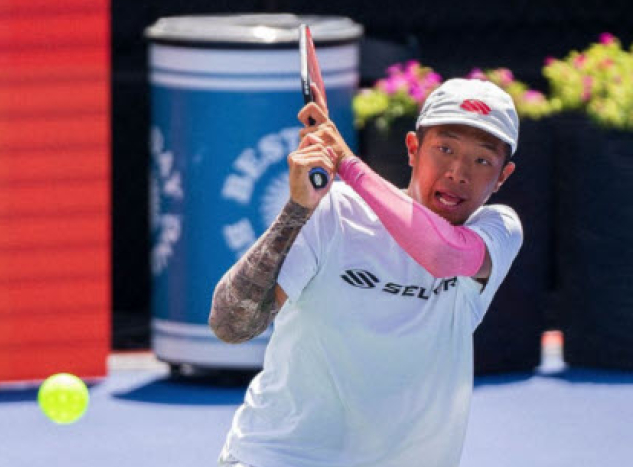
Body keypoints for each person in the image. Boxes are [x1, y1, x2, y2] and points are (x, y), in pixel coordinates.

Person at [210, 78, 523, 467]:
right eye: (445, 149)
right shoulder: (333, 210)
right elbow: (230, 325)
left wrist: (347, 163)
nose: (458, 172)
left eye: (482, 160)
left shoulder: (498, 230)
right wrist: (297, 209)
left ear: (503, 176)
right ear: (413, 148)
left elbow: (442, 254)